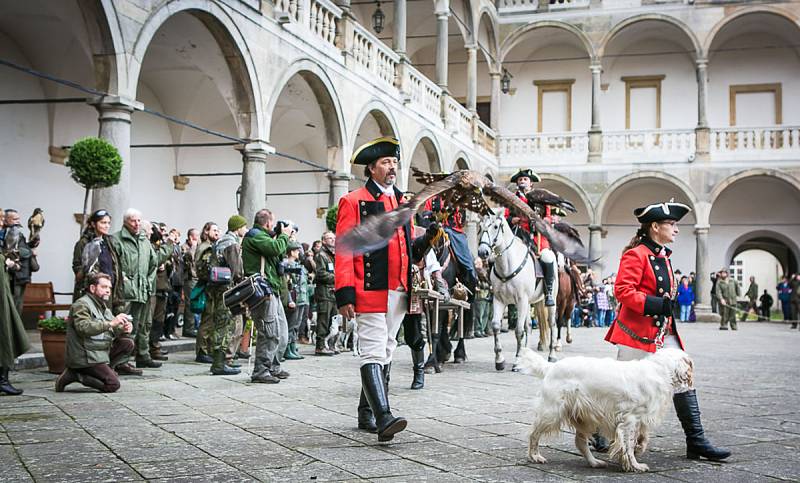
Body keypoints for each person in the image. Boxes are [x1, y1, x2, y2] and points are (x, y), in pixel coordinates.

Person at [603, 200, 730, 462]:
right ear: (655, 226)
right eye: (671, 224)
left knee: (684, 377)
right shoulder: (636, 254)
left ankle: (696, 441)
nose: (676, 229)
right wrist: (656, 304)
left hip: (664, 332)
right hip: (635, 332)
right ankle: (599, 432)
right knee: (624, 388)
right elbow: (623, 291)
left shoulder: (662, 255)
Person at [334, 136, 440, 442]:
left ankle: (365, 412)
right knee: (372, 348)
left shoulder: (402, 203)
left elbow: (409, 250)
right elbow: (343, 251)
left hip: (399, 289)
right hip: (369, 287)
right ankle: (384, 418)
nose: (392, 168)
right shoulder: (352, 201)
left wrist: (429, 237)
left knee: (387, 348)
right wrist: (345, 293)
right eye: (385, 163)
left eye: (394, 162)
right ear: (371, 168)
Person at [55, 273, 135, 393]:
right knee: (113, 384)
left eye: (109, 288)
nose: (108, 291)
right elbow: (83, 328)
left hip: (98, 352)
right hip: (85, 355)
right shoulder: (81, 304)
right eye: (104, 287)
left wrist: (123, 328)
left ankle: (103, 370)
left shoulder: (101, 306)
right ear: (93, 288)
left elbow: (112, 328)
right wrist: (111, 323)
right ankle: (76, 375)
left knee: (127, 343)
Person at [242, 209, 293, 384]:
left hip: (273, 290)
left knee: (281, 332)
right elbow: (275, 248)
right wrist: (284, 236)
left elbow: (278, 253)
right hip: (263, 291)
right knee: (269, 332)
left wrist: (281, 236)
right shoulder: (255, 235)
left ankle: (273, 366)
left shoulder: (266, 236)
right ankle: (261, 371)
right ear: (268, 222)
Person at [111, 209, 161, 369]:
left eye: (139, 220)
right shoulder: (117, 239)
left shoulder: (144, 241)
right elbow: (115, 264)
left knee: (142, 325)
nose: (137, 224)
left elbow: (154, 263)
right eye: (133, 220)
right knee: (124, 327)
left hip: (142, 290)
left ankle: (142, 356)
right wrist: (124, 280)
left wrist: (148, 280)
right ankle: (121, 361)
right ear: (126, 221)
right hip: (126, 292)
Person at [205, 215, 247, 375]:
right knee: (225, 325)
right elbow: (236, 270)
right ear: (237, 227)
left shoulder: (220, 241)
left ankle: (221, 361)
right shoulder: (232, 243)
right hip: (227, 289)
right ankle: (219, 363)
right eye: (243, 226)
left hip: (217, 288)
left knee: (220, 323)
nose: (245, 229)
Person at [0, 211, 30, 395]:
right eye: (1, 220)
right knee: (5, 334)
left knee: (7, 334)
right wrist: (7, 261)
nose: (3, 224)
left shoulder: (10, 237)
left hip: (5, 292)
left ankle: (3, 379)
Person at [72, 209, 121, 302]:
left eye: (108, 223)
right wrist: (86, 266)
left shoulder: (109, 242)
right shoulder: (84, 243)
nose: (107, 226)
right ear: (93, 224)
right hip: (91, 291)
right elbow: (77, 270)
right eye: (103, 223)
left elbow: (114, 267)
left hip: (108, 290)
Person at [194, 222, 221, 363]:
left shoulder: (210, 246)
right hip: (208, 287)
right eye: (214, 230)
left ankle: (207, 350)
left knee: (210, 319)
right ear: (206, 231)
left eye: (218, 230)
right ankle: (202, 351)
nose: (217, 232)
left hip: (209, 286)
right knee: (207, 320)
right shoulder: (206, 248)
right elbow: (205, 269)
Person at [3, 209, 35, 316]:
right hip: (14, 275)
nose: (17, 221)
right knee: (13, 306)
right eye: (14, 219)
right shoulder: (7, 232)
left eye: (18, 218)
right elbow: (12, 251)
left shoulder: (18, 233)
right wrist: (30, 252)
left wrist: (32, 243)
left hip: (23, 274)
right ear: (5, 220)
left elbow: (23, 248)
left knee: (18, 305)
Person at [280, 241, 307, 360]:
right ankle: (287, 349)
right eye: (296, 250)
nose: (298, 252)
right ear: (291, 252)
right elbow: (287, 285)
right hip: (294, 297)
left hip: (301, 297)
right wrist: (290, 300)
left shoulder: (297, 264)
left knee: (297, 324)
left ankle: (292, 346)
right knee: (291, 324)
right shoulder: (287, 265)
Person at [314, 231, 337, 356]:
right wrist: (337, 277)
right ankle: (320, 346)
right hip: (324, 292)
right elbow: (321, 273)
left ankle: (330, 345)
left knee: (332, 320)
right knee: (323, 319)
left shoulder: (332, 255)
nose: (333, 240)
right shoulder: (321, 255)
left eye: (334, 238)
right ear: (323, 240)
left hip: (333, 292)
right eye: (329, 238)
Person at [181, 228, 200, 337]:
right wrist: (193, 246)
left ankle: (193, 326)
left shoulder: (198, 247)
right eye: (196, 236)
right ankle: (189, 328)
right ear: (191, 237)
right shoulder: (185, 248)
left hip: (197, 278)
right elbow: (191, 259)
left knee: (195, 302)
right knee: (189, 303)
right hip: (189, 278)